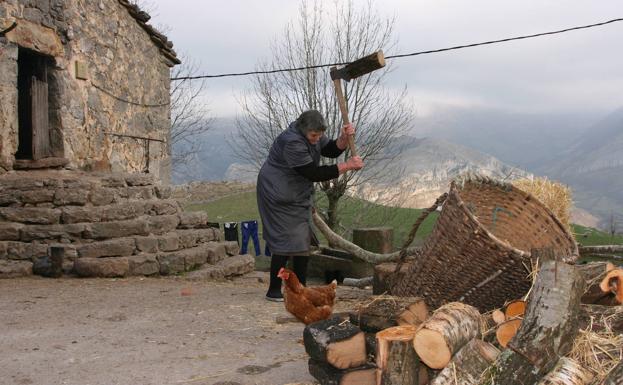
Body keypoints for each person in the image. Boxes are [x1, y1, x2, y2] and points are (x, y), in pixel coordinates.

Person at [257, 109, 364, 301]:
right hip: (277, 192)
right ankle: (274, 290)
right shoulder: (292, 142)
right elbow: (313, 173)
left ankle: (300, 289)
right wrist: (347, 166)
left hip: (296, 192)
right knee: (284, 241)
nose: (317, 139)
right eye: (314, 135)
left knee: (301, 241)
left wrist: (343, 138)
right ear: (303, 129)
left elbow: (331, 150)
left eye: (320, 135)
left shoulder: (312, 134)